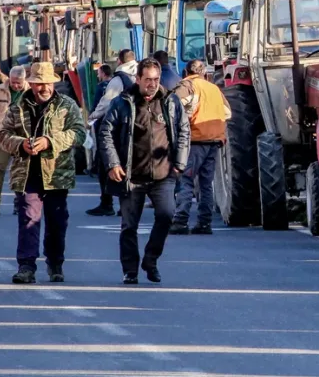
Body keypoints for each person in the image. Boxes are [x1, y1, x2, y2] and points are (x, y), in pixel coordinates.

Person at [98, 58, 189, 284]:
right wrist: (113, 164)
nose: (152, 84)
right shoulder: (122, 102)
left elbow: (184, 130)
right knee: (129, 226)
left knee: (167, 215)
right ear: (138, 79)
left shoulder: (170, 101)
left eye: (156, 79)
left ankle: (151, 259)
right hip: (131, 176)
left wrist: (180, 163)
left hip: (164, 174)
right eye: (147, 79)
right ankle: (130, 270)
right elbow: (105, 133)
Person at [0, 62, 85, 284]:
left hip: (57, 174)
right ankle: (26, 266)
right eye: (38, 84)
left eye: (47, 83)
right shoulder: (17, 107)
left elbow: (79, 134)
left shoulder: (67, 105)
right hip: (27, 173)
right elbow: (3, 135)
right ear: (31, 84)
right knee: (29, 219)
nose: (43, 88)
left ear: (53, 83)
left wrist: (50, 142)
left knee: (57, 222)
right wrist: (20, 144)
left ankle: (55, 263)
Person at [170, 60, 231, 235]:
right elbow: (228, 113)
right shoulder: (214, 89)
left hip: (195, 140)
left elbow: (173, 108)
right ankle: (204, 223)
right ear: (204, 72)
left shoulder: (187, 86)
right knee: (205, 184)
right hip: (214, 141)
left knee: (186, 181)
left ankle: (180, 221)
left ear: (185, 71)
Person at [86, 51, 137, 217]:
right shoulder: (142, 74)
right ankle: (128, 204)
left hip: (117, 127)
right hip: (139, 127)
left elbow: (106, 103)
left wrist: (91, 117)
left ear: (119, 60)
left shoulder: (118, 79)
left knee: (107, 164)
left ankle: (107, 203)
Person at [0, 66, 28, 216]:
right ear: (9, 78)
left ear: (24, 80)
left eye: (19, 83)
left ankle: (19, 201)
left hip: (22, 137)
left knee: (20, 171)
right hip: (3, 136)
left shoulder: (30, 92)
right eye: (13, 82)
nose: (16, 85)